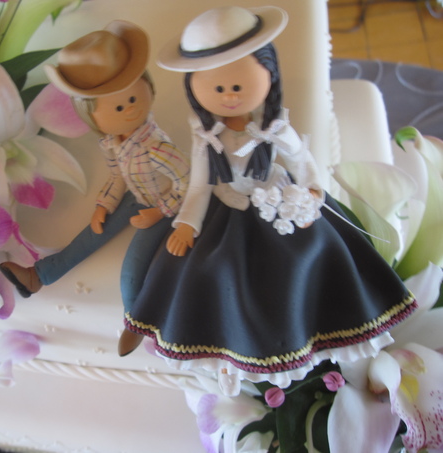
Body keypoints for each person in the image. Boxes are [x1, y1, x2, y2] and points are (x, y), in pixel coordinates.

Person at [121, 6, 416, 387]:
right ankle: (227, 349)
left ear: (269, 75)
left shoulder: (274, 127)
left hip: (280, 204)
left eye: (238, 86)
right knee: (210, 269)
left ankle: (312, 337)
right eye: (218, 88)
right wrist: (188, 224)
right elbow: (200, 185)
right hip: (226, 211)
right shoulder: (206, 136)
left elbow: (302, 160)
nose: (229, 96)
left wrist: (311, 190)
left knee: (309, 255)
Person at [0, 21, 190, 346]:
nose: (129, 109)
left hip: (164, 206)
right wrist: (104, 205)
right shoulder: (113, 143)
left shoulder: (156, 147)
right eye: (118, 106)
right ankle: (37, 276)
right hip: (136, 197)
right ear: (91, 118)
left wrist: (159, 213)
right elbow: (118, 177)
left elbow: (186, 182)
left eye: (133, 97)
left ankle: (137, 322)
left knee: (132, 268)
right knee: (90, 236)